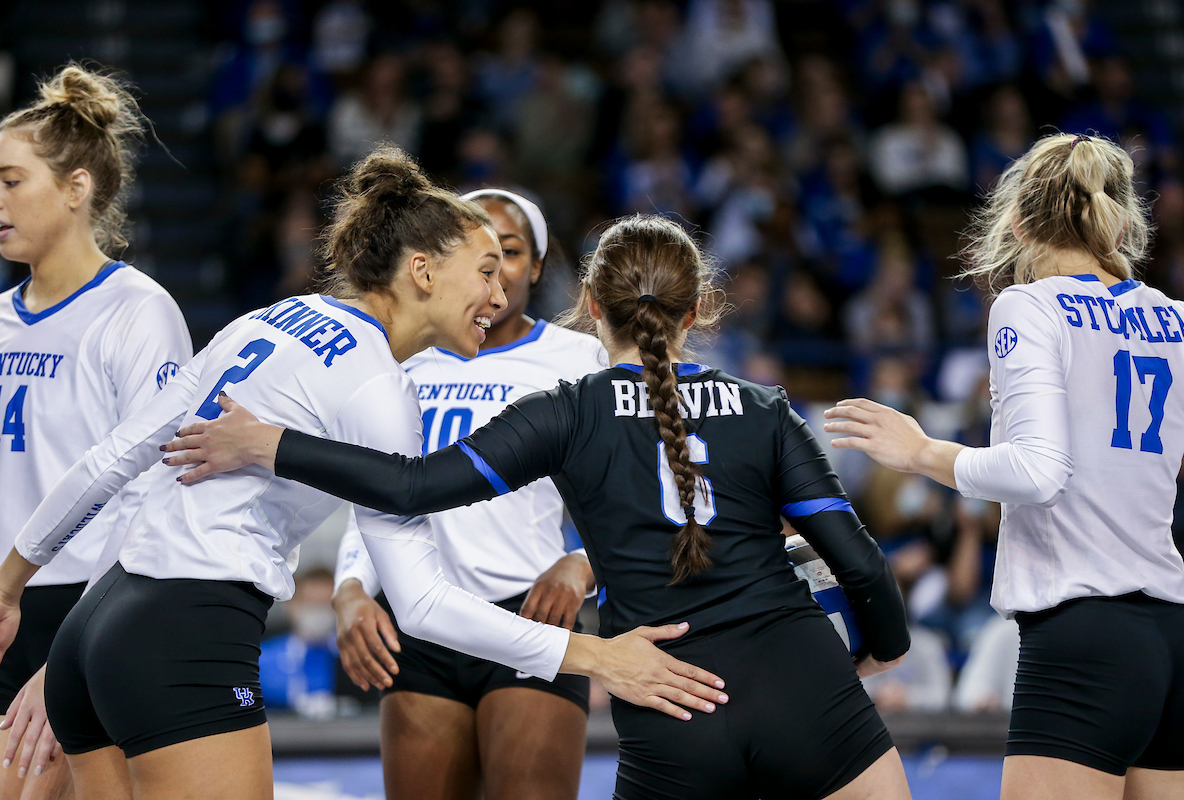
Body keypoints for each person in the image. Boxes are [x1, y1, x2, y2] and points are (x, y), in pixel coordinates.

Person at [0, 146, 726, 800]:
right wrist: (594, 654)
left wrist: (9, 588)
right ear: (422, 271)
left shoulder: (272, 317)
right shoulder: (378, 385)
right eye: (482, 271)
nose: (497, 297)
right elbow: (422, 606)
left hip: (96, 627)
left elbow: (111, 460)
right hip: (185, 631)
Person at [164, 214, 914, 800]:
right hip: (806, 687)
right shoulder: (767, 409)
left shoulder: (567, 410)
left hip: (667, 700)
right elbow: (860, 565)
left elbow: (409, 487)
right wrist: (877, 650)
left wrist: (270, 443)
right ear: (699, 310)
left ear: (589, 307)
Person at [824, 133, 1184, 800]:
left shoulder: (1029, 306)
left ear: (1020, 222)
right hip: (1177, 635)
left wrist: (920, 452)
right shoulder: (1180, 321)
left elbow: (1037, 471)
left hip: (1084, 637)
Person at [333, 187, 607, 800]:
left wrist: (582, 566)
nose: (496, 277)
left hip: (530, 613)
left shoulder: (577, 358)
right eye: (480, 260)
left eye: (508, 253)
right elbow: (377, 491)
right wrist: (351, 588)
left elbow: (629, 496)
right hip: (424, 623)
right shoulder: (406, 357)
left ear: (536, 266)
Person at [0, 64, 192, 799]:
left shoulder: (136, 312)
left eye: (13, 180)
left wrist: (75, 651)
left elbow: (159, 490)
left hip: (88, 603)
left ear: (76, 188)